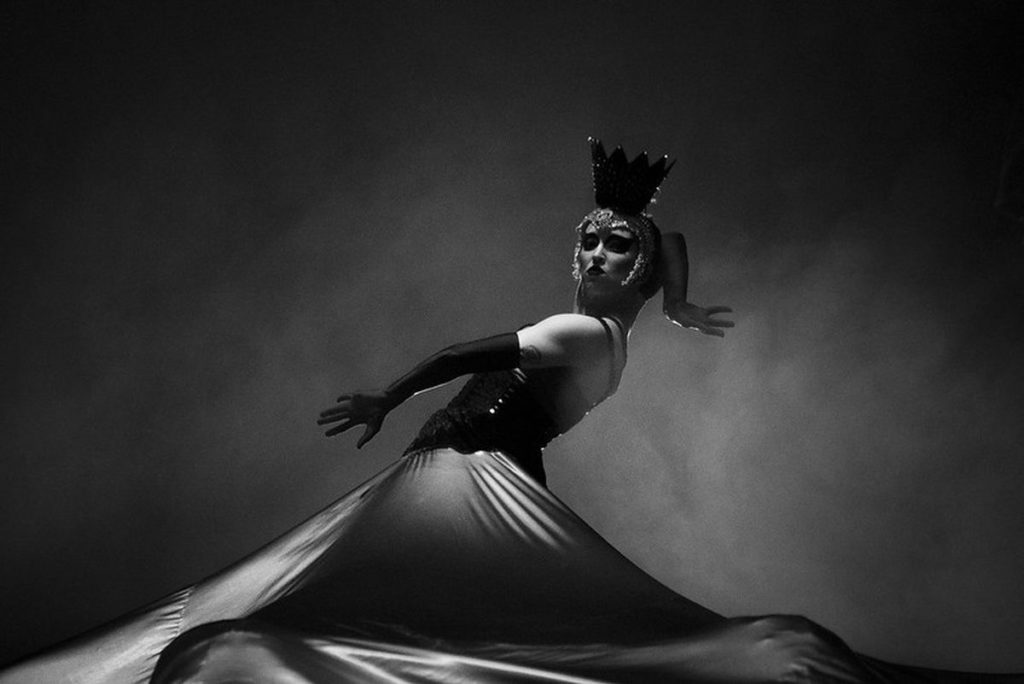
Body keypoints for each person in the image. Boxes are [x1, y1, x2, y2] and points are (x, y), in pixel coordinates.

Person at [2, 140, 1017, 683]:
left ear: (633, 265)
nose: (596, 254)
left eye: (616, 246)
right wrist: (673, 295)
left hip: (464, 467)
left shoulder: (580, 332)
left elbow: (460, 356)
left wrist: (385, 396)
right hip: (494, 471)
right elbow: (666, 244)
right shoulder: (616, 331)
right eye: (588, 240)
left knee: (314, 611)